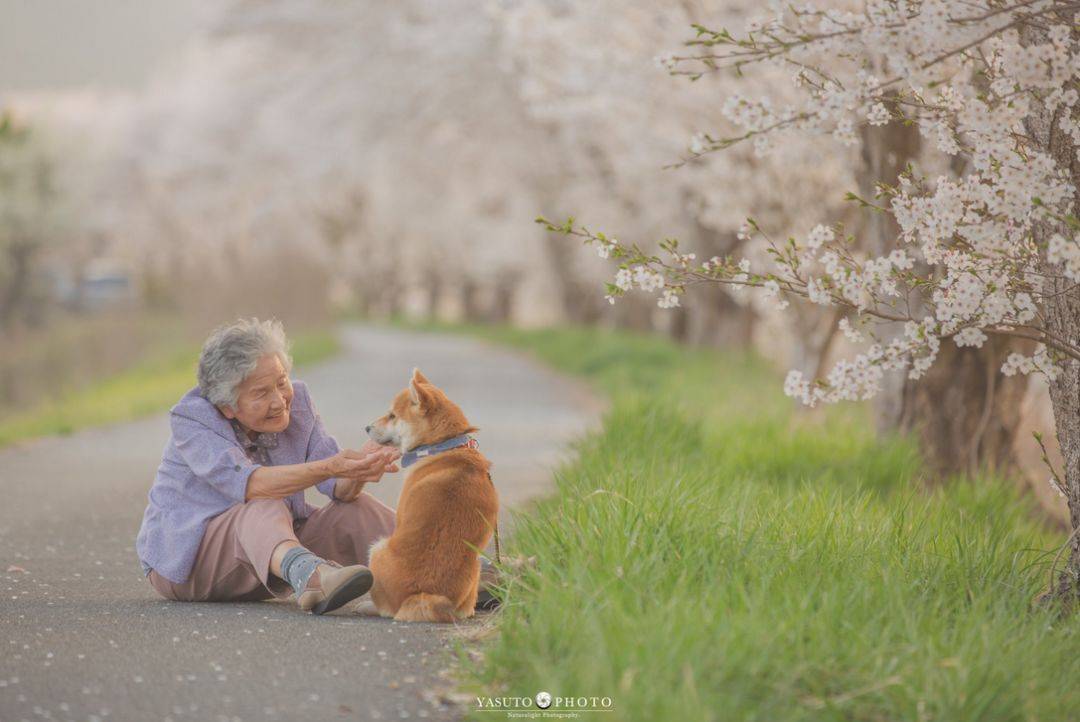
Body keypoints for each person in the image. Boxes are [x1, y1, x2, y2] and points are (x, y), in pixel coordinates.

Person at [136, 317, 399, 614]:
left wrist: (361, 467)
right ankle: (312, 577)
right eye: (261, 393)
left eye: (281, 382)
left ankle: (446, 570)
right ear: (227, 406)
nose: (279, 401)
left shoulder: (298, 402)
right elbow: (252, 484)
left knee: (355, 510)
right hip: (189, 564)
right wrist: (331, 467)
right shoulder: (194, 419)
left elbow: (340, 488)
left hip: (270, 554)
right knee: (265, 502)